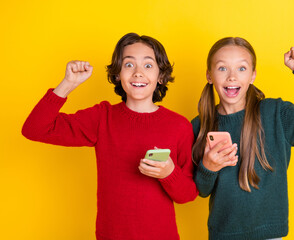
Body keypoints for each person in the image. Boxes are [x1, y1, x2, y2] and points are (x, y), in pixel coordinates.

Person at [22, 33, 198, 240]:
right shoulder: (102, 117)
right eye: (129, 65)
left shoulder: (179, 126)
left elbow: (187, 195)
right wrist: (68, 83)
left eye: (148, 65)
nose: (138, 73)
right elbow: (35, 128)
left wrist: (169, 173)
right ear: (117, 75)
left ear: (161, 76)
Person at [191, 37, 294, 240]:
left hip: (270, 235)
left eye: (242, 69)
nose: (232, 77)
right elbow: (201, 191)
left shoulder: (275, 113)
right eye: (222, 68)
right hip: (223, 235)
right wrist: (208, 167)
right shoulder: (199, 126)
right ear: (209, 75)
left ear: (253, 76)